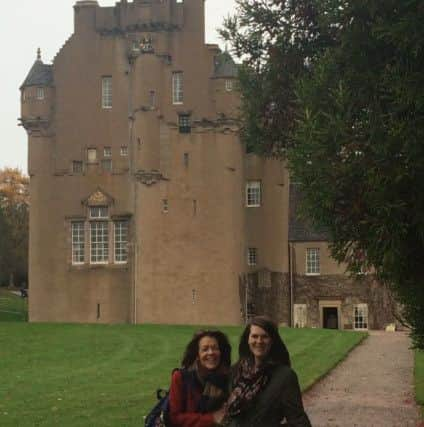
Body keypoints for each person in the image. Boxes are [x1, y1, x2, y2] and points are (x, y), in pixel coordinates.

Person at [223, 316, 312, 427]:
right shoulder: (235, 371)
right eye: (254, 336)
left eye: (265, 337)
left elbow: (300, 423)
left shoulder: (285, 377)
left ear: (272, 340)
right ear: (248, 339)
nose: (259, 341)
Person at [169, 330, 231, 427]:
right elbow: (174, 417)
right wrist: (211, 418)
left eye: (215, 348)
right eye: (205, 349)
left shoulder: (228, 377)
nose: (211, 352)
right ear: (197, 355)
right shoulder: (180, 377)